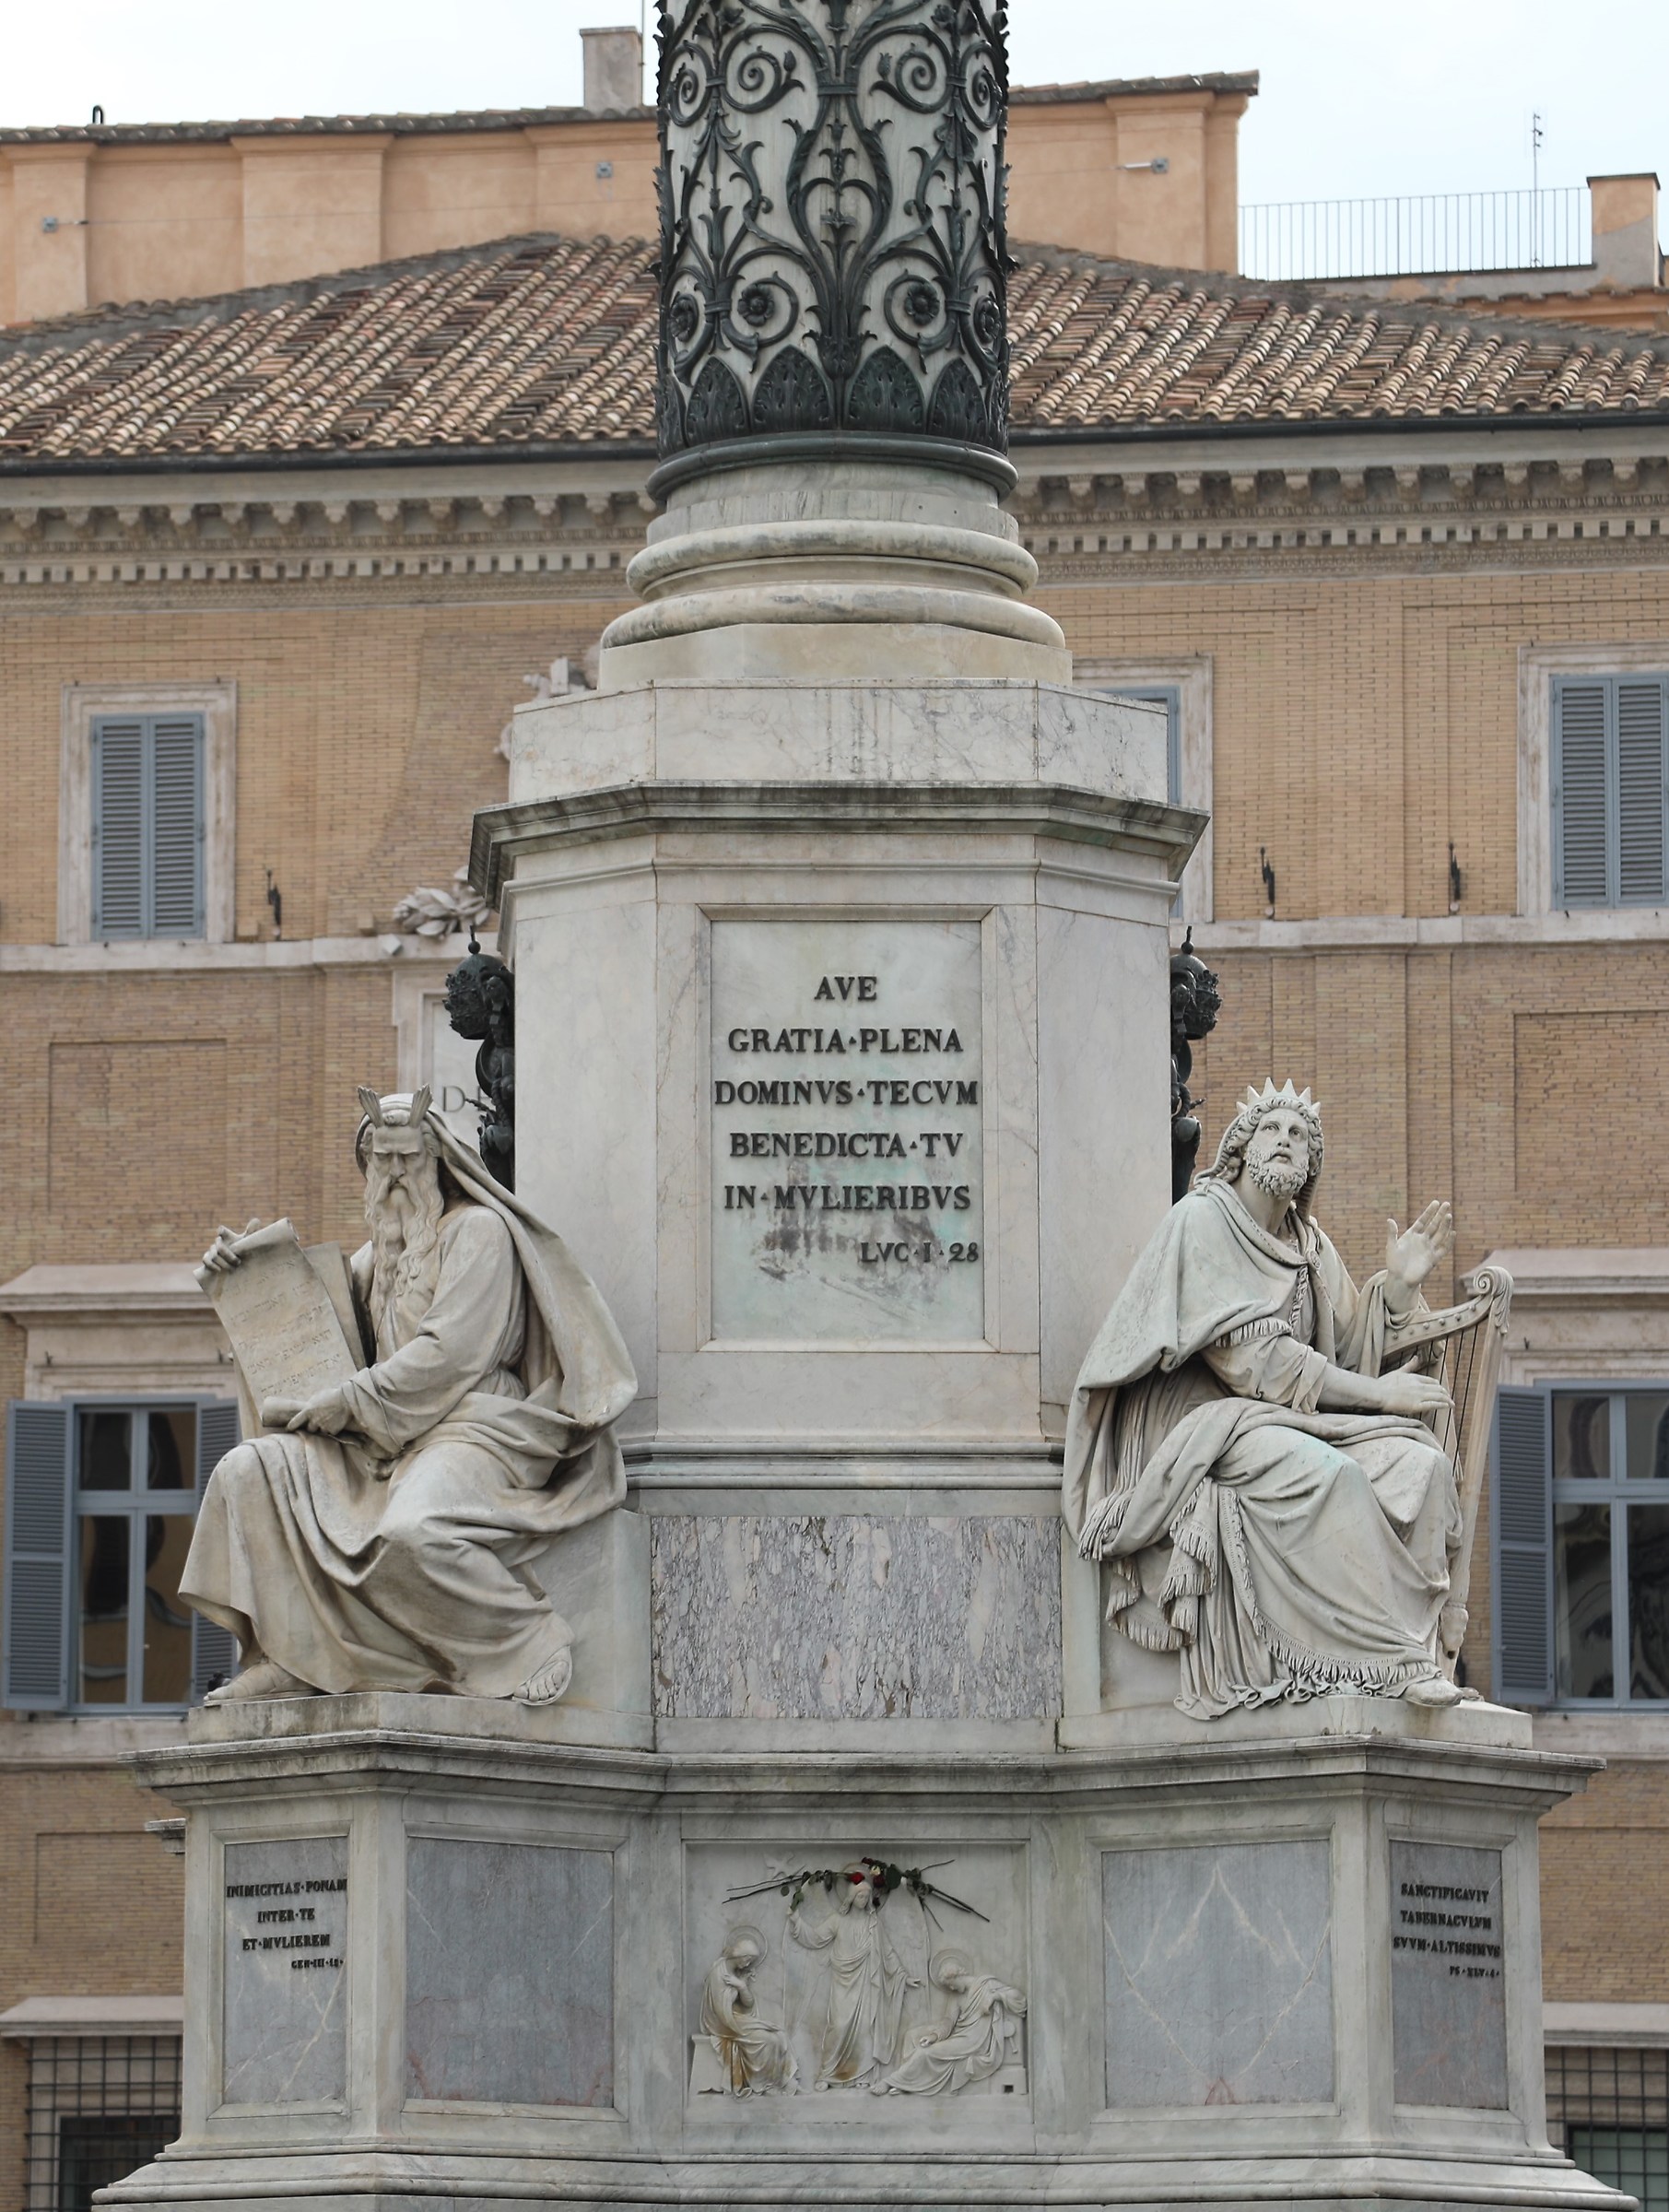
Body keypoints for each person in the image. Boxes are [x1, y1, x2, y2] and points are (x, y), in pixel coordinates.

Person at [182, 1087, 636, 1703]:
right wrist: (244, 1282)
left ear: (439, 1160)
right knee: (247, 1470)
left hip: (474, 1427)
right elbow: (309, 1344)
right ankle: (290, 1655)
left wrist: (348, 1401)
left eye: (407, 1158)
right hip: (380, 1439)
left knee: (412, 1531)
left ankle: (526, 1638)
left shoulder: (479, 1233)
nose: (394, 1174)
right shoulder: (372, 1262)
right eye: (380, 1160)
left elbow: (449, 1356)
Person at [1064, 1079, 1469, 1720]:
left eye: (1300, 1137)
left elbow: (1343, 1347)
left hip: (1286, 1418)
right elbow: (1255, 1362)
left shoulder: (1308, 1247)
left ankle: (1418, 1653)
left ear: (1310, 1167)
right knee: (1334, 1478)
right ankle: (1388, 1662)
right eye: (1271, 1130)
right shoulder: (1204, 1221)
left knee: (1422, 1465)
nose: (1285, 1141)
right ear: (1242, 1147)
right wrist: (1379, 1394)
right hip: (1205, 1423)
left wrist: (1394, 1290)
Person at [787, 1867, 915, 2088]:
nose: (864, 1900)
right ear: (851, 1897)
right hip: (843, 1982)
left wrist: (902, 1975)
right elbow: (816, 1938)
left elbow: (887, 1952)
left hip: (866, 1982)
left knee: (866, 2028)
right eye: (860, 1896)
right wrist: (797, 1921)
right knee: (838, 2025)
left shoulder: (873, 1923)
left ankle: (861, 2076)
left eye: (866, 1896)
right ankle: (827, 2074)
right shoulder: (837, 1921)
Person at [876, 1950, 1026, 2096]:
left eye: (951, 1984)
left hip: (974, 2040)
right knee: (912, 2037)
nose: (952, 1988)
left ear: (957, 1975)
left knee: (924, 2052)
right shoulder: (956, 1996)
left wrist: (995, 1996)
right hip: (959, 2035)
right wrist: (934, 2036)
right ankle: (906, 2084)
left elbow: (1019, 1999)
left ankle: (891, 2082)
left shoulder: (987, 1985)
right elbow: (948, 2021)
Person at [699, 1928, 797, 2095]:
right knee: (767, 2039)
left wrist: (742, 1986)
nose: (748, 1964)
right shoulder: (718, 1973)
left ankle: (785, 2079)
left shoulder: (736, 1973)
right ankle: (766, 2084)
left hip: (735, 2018)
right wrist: (737, 1988)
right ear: (741, 1955)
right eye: (748, 1960)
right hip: (720, 2022)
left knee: (778, 2035)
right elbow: (720, 2010)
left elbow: (748, 2005)